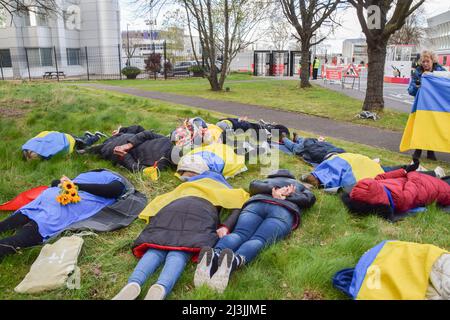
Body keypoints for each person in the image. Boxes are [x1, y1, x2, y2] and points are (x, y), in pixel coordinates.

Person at [113, 161, 250, 300]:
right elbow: (240, 202)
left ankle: (133, 283)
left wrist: (154, 219)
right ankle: (161, 286)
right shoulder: (221, 188)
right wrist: (226, 225)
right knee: (180, 251)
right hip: (201, 212)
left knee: (155, 248)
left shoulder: (186, 185)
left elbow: (160, 201)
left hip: (173, 209)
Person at [193, 169, 316, 293]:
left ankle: (216, 253)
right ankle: (236, 260)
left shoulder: (266, 180)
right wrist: (289, 194)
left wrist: (274, 189)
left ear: (275, 175)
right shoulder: (297, 185)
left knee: (239, 234)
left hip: (256, 204)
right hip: (283, 209)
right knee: (259, 239)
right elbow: (310, 200)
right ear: (292, 177)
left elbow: (253, 186)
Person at [0, 170, 126, 259]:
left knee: (25, 220)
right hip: (61, 203)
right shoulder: (101, 178)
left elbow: (113, 190)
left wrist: (74, 185)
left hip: (58, 201)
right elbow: (113, 190)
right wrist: (65, 183)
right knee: (32, 227)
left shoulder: (114, 180)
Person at [341, 164, 450, 222]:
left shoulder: (377, 187)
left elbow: (380, 177)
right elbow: (414, 185)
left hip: (418, 181)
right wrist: (412, 173)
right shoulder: (401, 199)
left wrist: (404, 171)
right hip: (437, 188)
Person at [84, 125, 176, 173]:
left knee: (99, 149)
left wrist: (125, 156)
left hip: (123, 151)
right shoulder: (168, 141)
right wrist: (129, 144)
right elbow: (147, 134)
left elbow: (138, 169)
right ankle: (94, 139)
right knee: (135, 129)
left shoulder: (161, 166)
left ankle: (91, 141)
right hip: (128, 139)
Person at [407, 50, 447, 161]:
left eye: (427, 61)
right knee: (420, 127)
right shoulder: (417, 72)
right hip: (421, 105)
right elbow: (410, 91)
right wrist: (416, 86)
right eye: (423, 61)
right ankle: (418, 150)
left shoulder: (441, 71)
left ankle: (431, 151)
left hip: (436, 106)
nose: (425, 64)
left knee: (433, 127)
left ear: (432, 61)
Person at [22, 130, 107, 161]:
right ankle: (88, 135)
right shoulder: (30, 146)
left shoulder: (49, 153)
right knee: (79, 141)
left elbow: (64, 150)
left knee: (84, 145)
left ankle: (97, 136)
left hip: (67, 140)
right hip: (62, 136)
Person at [281, 132, 345, 165]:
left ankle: (290, 138)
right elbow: (311, 152)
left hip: (311, 144)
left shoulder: (338, 150)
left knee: (299, 144)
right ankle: (285, 138)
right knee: (296, 147)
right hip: (310, 145)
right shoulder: (328, 156)